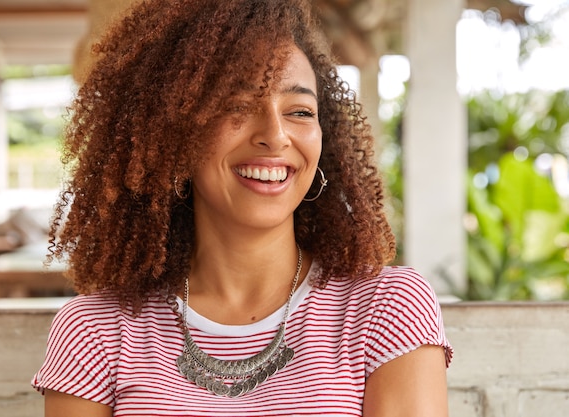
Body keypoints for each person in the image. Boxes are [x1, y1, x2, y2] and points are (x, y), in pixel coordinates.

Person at [32, 0, 453, 415]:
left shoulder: (386, 307)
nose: (275, 135)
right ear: (173, 134)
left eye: (301, 111)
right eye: (236, 106)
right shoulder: (95, 330)